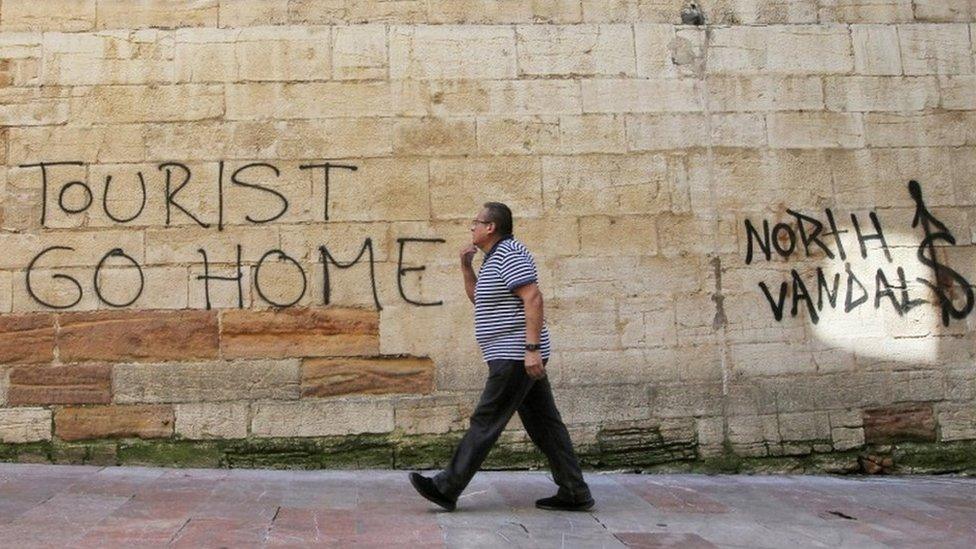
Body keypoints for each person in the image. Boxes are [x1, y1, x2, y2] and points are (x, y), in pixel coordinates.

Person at [409, 202, 594, 512]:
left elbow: (532, 297)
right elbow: (478, 298)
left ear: (490, 227)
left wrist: (532, 350)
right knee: (546, 426)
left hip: (515, 355)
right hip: (513, 355)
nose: (471, 228)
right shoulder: (494, 258)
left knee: (486, 420)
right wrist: (466, 267)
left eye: (475, 223)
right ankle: (575, 490)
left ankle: (446, 487)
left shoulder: (510, 253)